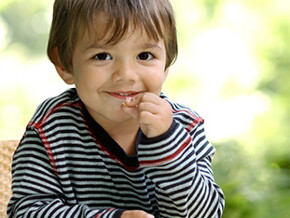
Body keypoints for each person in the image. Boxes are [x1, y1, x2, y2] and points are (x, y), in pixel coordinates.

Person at [7, 0, 225, 217]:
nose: (126, 75)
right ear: (65, 64)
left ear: (166, 64)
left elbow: (206, 214)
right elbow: (27, 212)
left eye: (145, 56)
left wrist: (166, 145)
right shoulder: (51, 129)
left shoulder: (185, 127)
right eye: (102, 56)